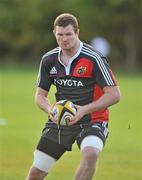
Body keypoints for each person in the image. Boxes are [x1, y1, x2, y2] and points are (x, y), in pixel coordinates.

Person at [26, 13, 121, 180]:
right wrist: (50, 109)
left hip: (93, 120)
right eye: (60, 34)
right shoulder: (48, 60)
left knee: (90, 154)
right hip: (61, 121)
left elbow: (114, 94)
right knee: (37, 172)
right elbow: (40, 96)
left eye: (68, 34)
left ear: (77, 32)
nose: (64, 39)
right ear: (54, 33)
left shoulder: (94, 58)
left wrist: (84, 110)